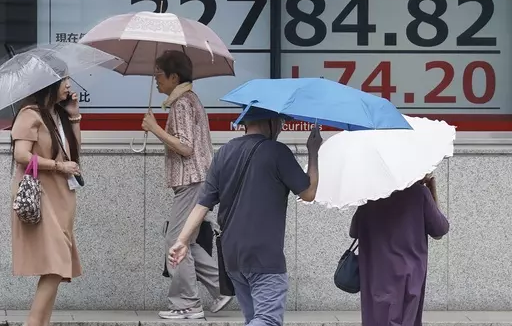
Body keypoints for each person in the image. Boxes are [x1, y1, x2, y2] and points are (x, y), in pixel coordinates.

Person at [167, 107, 323, 326]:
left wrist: (182, 241)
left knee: (253, 319)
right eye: (279, 121)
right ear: (270, 121)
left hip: (233, 258)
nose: (281, 127)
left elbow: (202, 204)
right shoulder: (277, 152)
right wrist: (314, 152)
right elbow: (308, 193)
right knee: (267, 320)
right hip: (264, 257)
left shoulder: (223, 153)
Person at [140, 50, 231, 319]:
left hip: (190, 180)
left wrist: (155, 129)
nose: (156, 80)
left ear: (174, 76)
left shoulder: (181, 103)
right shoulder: (190, 99)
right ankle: (221, 287)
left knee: (174, 240)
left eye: (159, 75)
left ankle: (186, 304)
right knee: (185, 241)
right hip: (198, 180)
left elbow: (186, 147)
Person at [11, 73, 83, 326]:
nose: (69, 85)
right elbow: (22, 155)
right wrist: (57, 166)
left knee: (58, 264)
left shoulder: (57, 114)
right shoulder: (30, 114)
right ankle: (32, 323)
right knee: (56, 263)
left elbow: (74, 153)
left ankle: (41, 322)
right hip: (40, 196)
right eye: (64, 80)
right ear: (48, 84)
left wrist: (73, 115)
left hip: (62, 197)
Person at [349, 175, 449, 326]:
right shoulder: (419, 193)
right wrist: (431, 192)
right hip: (409, 275)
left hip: (376, 275)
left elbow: (354, 231)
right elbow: (440, 229)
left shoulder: (371, 195)